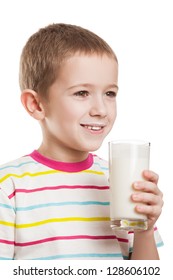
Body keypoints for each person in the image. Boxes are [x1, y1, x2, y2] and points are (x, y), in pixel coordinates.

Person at [0, 23, 163, 260]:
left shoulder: (119, 181)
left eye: (110, 93)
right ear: (36, 104)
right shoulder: (9, 187)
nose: (101, 110)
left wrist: (145, 231)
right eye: (81, 93)